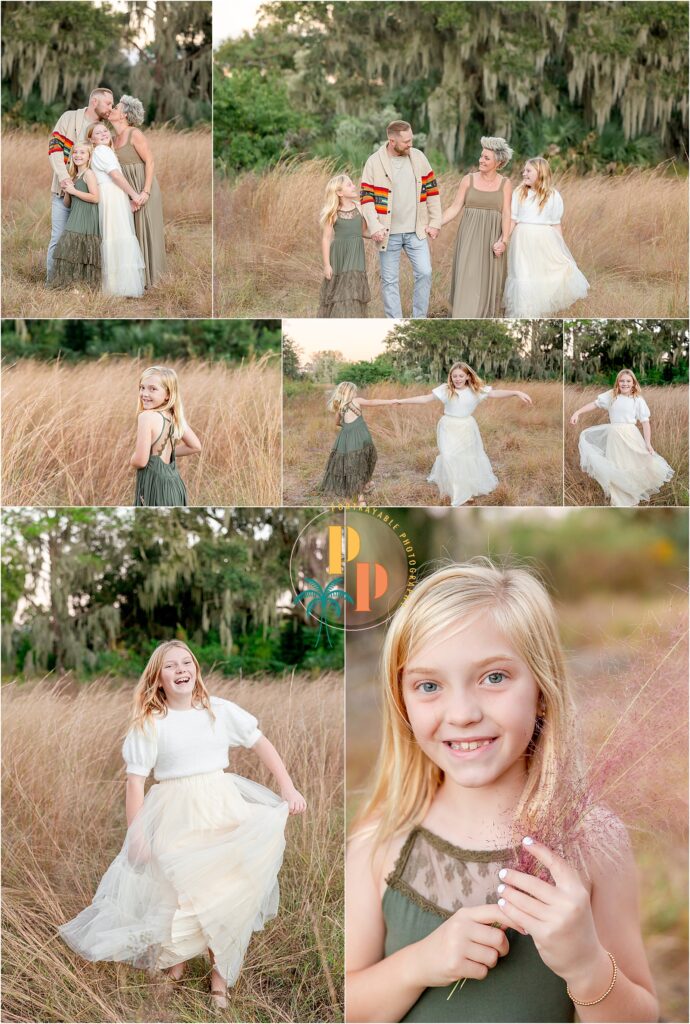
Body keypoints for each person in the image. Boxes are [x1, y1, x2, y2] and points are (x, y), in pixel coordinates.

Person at [345, 561, 658, 1024]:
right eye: (429, 685)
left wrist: (586, 966)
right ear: (403, 701)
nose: (463, 713)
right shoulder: (379, 843)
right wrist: (419, 964)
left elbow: (643, 1016)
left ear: (542, 690)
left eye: (493, 678)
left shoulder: (593, 839)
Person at [58, 640, 306, 1010]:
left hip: (223, 807)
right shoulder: (150, 723)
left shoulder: (217, 711)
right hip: (176, 813)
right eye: (171, 666)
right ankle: (174, 968)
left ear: (195, 670)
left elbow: (260, 743)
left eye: (186, 662)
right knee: (179, 894)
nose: (180, 670)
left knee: (226, 895)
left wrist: (288, 787)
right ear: (158, 678)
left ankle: (219, 983)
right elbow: (135, 784)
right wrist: (137, 835)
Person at [390, 362, 532, 507]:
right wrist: (401, 401)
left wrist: (516, 392)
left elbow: (495, 393)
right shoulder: (446, 389)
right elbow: (425, 399)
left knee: (465, 458)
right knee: (448, 456)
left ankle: (466, 491)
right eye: (454, 376)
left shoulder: (475, 390)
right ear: (450, 377)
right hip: (448, 426)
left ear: (468, 377)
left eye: (461, 376)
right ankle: (458, 491)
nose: (457, 379)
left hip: (467, 427)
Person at [360, 120, 441, 319]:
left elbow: (432, 191)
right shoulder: (373, 162)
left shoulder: (419, 158)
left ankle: (419, 319)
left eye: (411, 139)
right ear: (392, 140)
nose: (410, 144)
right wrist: (375, 225)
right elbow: (366, 199)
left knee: (425, 273)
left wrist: (435, 222)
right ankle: (393, 321)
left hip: (416, 231)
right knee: (389, 281)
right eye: (406, 141)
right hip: (387, 235)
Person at [570, 368, 674, 507]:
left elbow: (645, 422)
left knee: (632, 466)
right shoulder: (612, 395)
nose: (625, 383)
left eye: (628, 381)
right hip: (615, 438)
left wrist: (648, 443)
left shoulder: (637, 399)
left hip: (631, 436)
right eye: (622, 381)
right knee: (616, 468)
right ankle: (618, 503)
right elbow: (594, 404)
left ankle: (632, 500)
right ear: (618, 382)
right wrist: (577, 412)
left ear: (633, 383)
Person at [504, 157, 589, 317]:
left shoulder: (553, 195)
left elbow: (556, 224)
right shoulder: (519, 192)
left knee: (541, 276)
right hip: (522, 241)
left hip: (544, 242)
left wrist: (561, 249)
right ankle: (522, 314)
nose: (524, 173)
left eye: (528, 171)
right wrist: (504, 240)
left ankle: (536, 313)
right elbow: (513, 220)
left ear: (540, 172)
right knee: (523, 276)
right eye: (524, 170)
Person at [47, 86, 113, 282]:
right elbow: (55, 147)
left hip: (89, 201)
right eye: (108, 103)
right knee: (58, 238)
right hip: (64, 192)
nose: (111, 107)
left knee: (86, 241)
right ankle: (52, 281)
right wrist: (63, 177)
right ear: (95, 102)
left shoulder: (103, 130)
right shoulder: (69, 118)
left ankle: (79, 282)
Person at [441, 137, 513, 317]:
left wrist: (503, 241)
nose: (481, 160)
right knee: (467, 278)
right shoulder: (468, 180)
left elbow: (506, 213)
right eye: (481, 156)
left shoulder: (505, 184)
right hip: (469, 238)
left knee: (489, 282)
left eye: (487, 158)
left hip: (492, 240)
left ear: (499, 162)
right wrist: (435, 224)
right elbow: (455, 207)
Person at [110, 95, 167, 288]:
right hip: (125, 188)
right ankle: (133, 278)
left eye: (116, 107)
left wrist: (146, 192)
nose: (112, 109)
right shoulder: (110, 138)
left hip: (143, 186)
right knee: (130, 231)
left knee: (145, 229)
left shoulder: (135, 134)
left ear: (125, 114)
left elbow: (149, 161)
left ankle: (152, 279)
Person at [87, 122, 145, 297]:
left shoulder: (104, 151)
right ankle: (118, 286)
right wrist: (134, 195)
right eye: (98, 133)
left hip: (114, 195)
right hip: (111, 196)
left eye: (105, 130)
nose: (104, 133)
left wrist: (126, 198)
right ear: (92, 139)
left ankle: (119, 285)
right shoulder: (102, 151)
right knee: (117, 235)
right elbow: (115, 175)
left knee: (117, 235)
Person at [131, 366, 202, 506]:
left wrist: (133, 458)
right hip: (175, 485)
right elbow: (195, 446)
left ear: (168, 394)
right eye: (142, 387)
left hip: (156, 487)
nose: (144, 393)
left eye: (152, 389)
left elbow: (140, 461)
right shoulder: (174, 417)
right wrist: (169, 452)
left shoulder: (146, 417)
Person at [319, 381, 396, 505]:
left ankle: (365, 486)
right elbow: (373, 402)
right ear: (350, 392)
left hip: (347, 439)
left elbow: (336, 423)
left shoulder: (340, 407)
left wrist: (345, 425)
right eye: (354, 391)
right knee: (365, 460)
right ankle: (361, 496)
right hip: (362, 437)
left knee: (352, 466)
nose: (356, 392)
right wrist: (390, 401)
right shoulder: (357, 401)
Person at [318, 174, 371, 317]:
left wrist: (378, 235)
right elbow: (326, 238)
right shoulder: (333, 213)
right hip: (339, 255)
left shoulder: (360, 208)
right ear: (339, 193)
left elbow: (363, 231)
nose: (354, 186)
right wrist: (327, 265)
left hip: (356, 254)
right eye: (349, 185)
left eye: (352, 184)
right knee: (339, 290)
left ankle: (352, 318)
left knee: (352, 288)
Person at [50, 144, 101, 289]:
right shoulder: (74, 175)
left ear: (89, 157)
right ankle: (72, 286)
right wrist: (67, 190)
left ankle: (84, 286)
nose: (78, 155)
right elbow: (67, 204)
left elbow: (95, 198)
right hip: (75, 215)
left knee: (82, 249)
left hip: (86, 216)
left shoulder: (88, 174)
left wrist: (74, 190)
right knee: (69, 248)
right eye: (75, 152)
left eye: (82, 153)